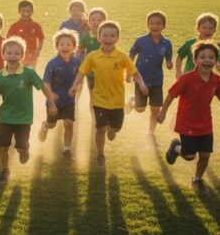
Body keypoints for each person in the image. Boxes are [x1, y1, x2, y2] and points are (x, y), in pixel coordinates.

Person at [162, 41, 220, 194]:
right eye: (202, 57)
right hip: (186, 122)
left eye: (211, 57)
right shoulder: (187, 79)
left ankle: (197, 179)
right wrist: (163, 112)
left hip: (205, 124)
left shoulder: (217, 81)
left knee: (205, 155)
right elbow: (171, 95)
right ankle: (176, 147)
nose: (207, 60)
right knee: (190, 156)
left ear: (216, 62)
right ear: (195, 60)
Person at [69, 21, 147, 169]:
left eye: (112, 36)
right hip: (99, 99)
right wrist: (74, 85)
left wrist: (141, 84)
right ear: (99, 37)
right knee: (100, 128)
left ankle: (113, 129)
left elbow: (135, 73)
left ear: (117, 38)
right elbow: (81, 72)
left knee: (115, 128)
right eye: (105, 35)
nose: (108, 38)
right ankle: (100, 154)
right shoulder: (92, 56)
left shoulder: (122, 57)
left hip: (117, 101)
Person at [0, 37, 56, 183]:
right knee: (2, 146)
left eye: (16, 53)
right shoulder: (0, 76)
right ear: (3, 55)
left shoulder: (28, 73)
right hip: (6, 117)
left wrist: (51, 103)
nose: (12, 56)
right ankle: (5, 169)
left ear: (22, 55)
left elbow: (43, 87)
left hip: (23, 118)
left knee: (20, 147)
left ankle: (24, 149)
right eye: (9, 53)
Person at [38, 29, 81, 158]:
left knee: (69, 123)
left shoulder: (77, 63)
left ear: (74, 47)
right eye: (61, 44)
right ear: (56, 47)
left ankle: (67, 149)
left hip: (69, 100)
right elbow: (46, 82)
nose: (65, 47)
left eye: (68, 44)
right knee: (52, 124)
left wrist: (75, 88)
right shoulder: (52, 64)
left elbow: (80, 76)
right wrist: (50, 95)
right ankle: (45, 125)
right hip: (54, 100)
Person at [128, 10, 174, 133]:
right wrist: (128, 71)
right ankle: (133, 101)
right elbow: (131, 54)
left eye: (158, 23)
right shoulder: (141, 40)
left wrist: (169, 64)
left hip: (157, 80)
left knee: (155, 109)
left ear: (164, 26)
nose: (155, 26)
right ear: (147, 25)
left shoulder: (166, 43)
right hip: (141, 78)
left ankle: (151, 132)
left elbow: (168, 60)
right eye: (152, 23)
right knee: (140, 109)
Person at [176, 12, 220, 79]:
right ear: (198, 28)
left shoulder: (217, 46)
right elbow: (180, 57)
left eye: (211, 28)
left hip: (206, 79)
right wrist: (178, 71)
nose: (207, 31)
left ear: (215, 30)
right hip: (188, 78)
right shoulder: (189, 43)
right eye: (204, 28)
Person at [6, 0, 44, 69]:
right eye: (23, 11)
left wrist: (37, 51)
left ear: (32, 12)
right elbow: (8, 41)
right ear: (19, 12)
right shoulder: (14, 26)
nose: (26, 13)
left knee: (31, 75)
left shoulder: (36, 25)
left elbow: (41, 39)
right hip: (18, 57)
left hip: (32, 57)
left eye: (28, 11)